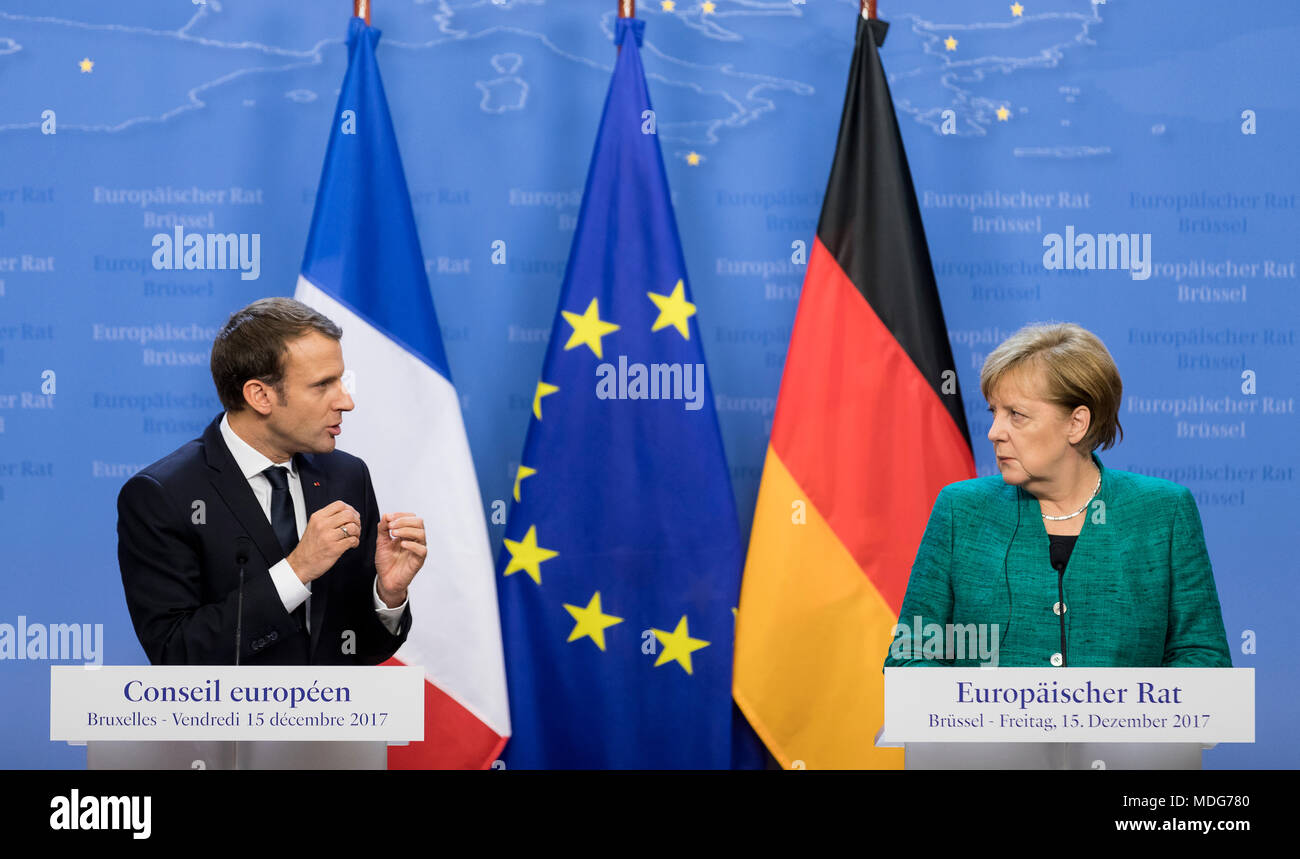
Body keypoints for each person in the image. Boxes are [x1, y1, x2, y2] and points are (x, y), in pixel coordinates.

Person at [884, 322, 1231, 668]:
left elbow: (1203, 658)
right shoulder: (961, 510)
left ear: (1076, 424)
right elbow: (910, 658)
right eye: (994, 412)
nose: (993, 432)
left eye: (1016, 415)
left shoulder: (1162, 512)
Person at [117, 297, 426, 665]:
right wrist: (298, 570)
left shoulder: (347, 476)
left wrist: (387, 595)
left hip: (333, 721)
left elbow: (357, 651)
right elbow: (177, 652)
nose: (346, 401)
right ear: (260, 395)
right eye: (323, 384)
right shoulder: (163, 495)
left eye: (341, 381)